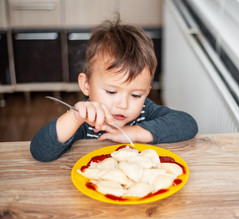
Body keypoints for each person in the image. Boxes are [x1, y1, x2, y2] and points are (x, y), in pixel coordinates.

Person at [30, 16, 198, 162]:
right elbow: (40, 151)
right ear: (86, 85)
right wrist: (74, 118)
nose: (123, 104)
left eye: (136, 95)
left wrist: (133, 132)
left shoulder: (145, 111)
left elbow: (188, 124)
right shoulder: (85, 118)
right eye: (111, 92)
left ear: (146, 92)